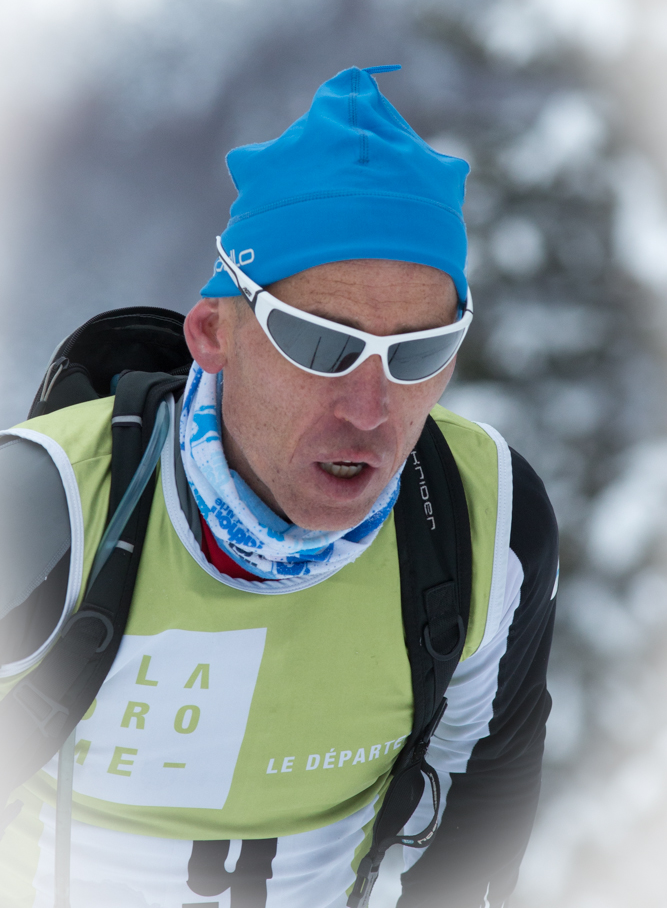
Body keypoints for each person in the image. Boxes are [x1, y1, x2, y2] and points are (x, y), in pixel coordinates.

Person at [0, 65, 558, 908]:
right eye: (319, 344)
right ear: (212, 333)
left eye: (417, 354)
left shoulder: (483, 522)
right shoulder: (43, 505)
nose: (369, 409)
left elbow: (481, 813)